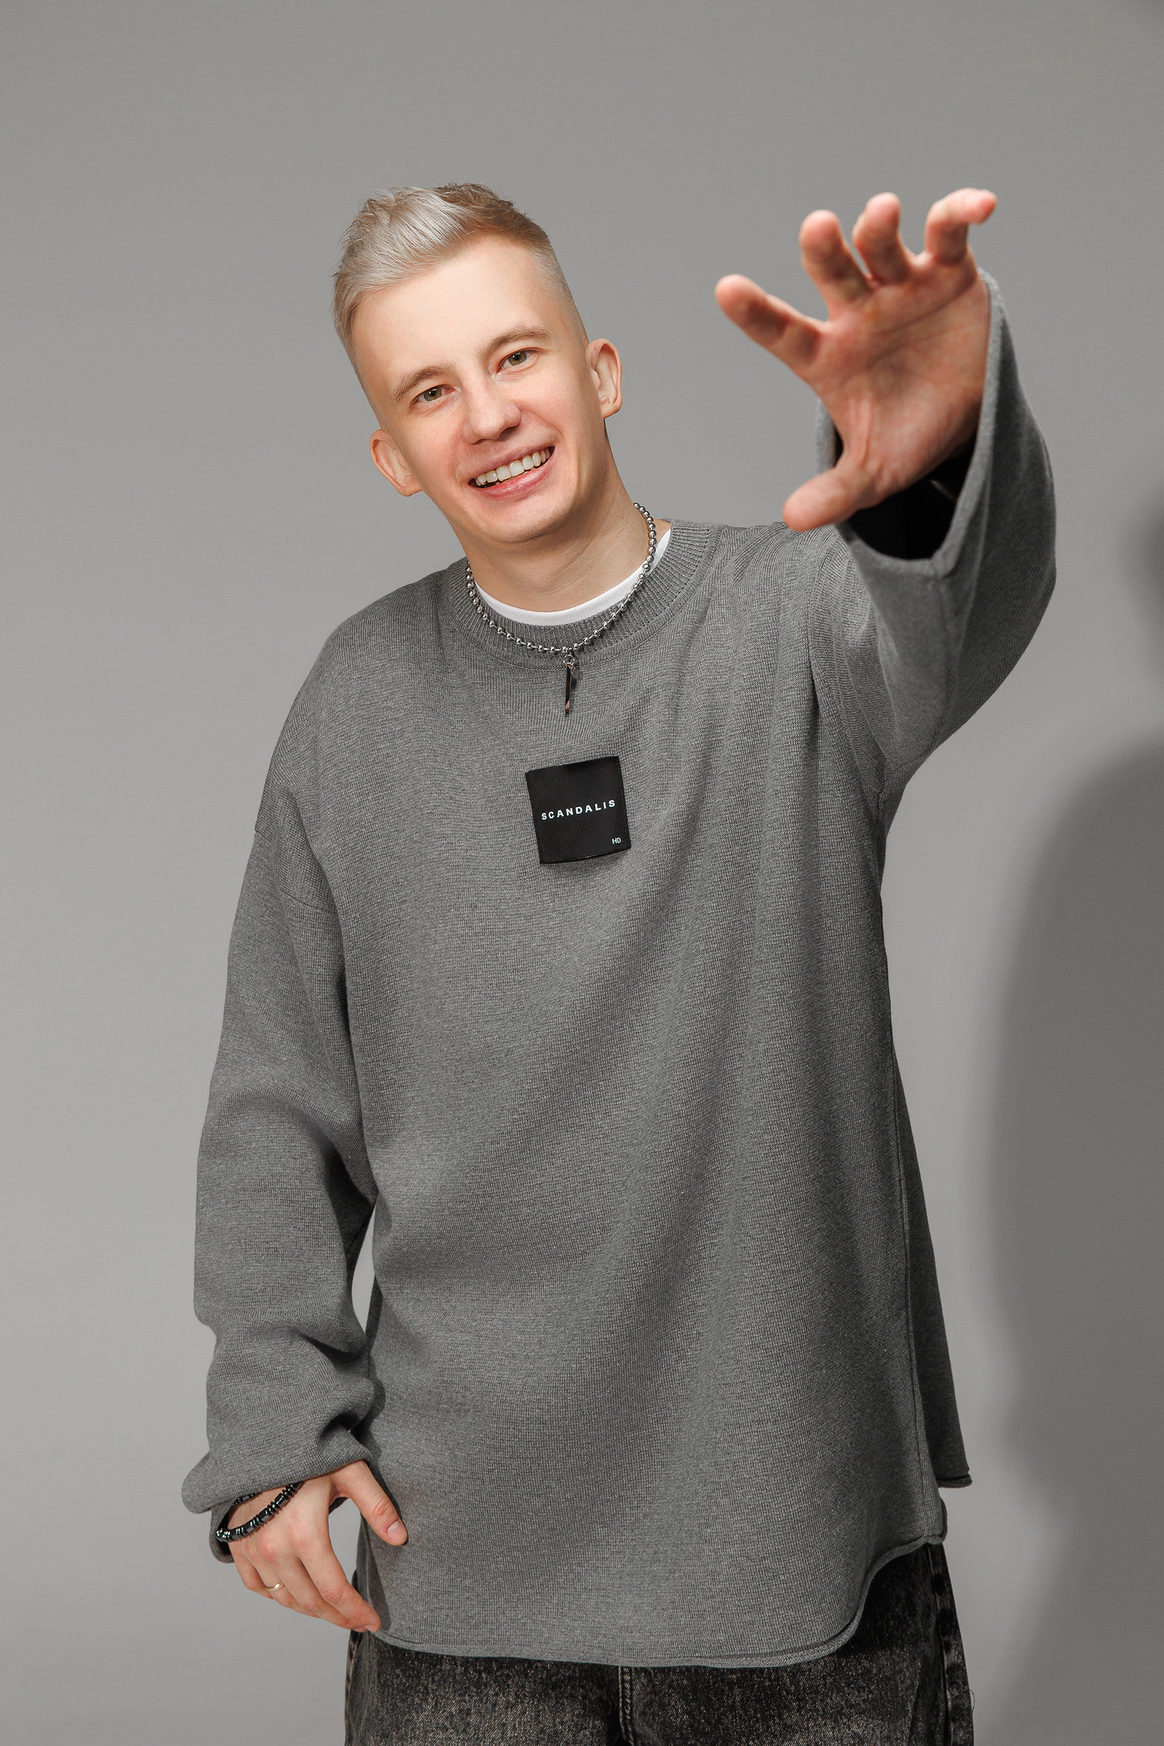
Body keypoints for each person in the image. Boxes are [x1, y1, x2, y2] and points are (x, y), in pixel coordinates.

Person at [182, 181, 1055, 1744]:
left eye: (515, 356)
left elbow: (959, 613)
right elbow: (275, 1104)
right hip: (460, 1576)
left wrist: (929, 471)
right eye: (429, 391)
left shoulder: (801, 620)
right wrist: (270, 1433)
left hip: (798, 1559)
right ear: (392, 457)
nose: (487, 414)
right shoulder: (353, 703)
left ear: (602, 371)